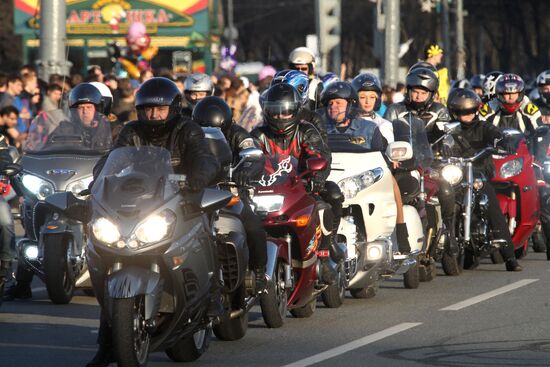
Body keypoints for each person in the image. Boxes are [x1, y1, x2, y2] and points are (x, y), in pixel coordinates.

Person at [86, 77, 220, 367]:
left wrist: (198, 178)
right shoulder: (131, 132)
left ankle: (213, 297)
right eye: (147, 110)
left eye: (159, 110)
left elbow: (204, 159)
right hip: (140, 201)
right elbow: (113, 160)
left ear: (173, 108)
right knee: (109, 261)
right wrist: (97, 182)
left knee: (209, 231)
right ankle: (106, 345)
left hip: (181, 200)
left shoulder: (187, 129)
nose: (153, 115)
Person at [251, 83, 343, 285]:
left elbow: (319, 154)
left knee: (328, 200)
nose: (281, 117)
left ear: (296, 111)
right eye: (275, 112)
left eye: (286, 112)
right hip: (267, 191)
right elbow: (246, 159)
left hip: (302, 187)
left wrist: (316, 177)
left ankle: (325, 252)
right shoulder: (258, 136)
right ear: (267, 112)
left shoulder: (306, 131)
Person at [192, 96, 268, 289]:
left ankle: (258, 273)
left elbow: (254, 153)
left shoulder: (237, 134)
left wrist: (246, 170)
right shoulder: (189, 136)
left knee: (253, 227)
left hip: (229, 192)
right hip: (197, 193)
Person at [445, 88, 522, 271]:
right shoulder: (448, 128)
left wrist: (503, 142)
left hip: (478, 172)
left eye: (471, 111)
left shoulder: (483, 127)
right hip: (455, 174)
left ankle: (510, 256)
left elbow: (497, 135)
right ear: (454, 112)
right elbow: (434, 140)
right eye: (463, 112)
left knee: (491, 205)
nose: (468, 115)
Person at [384, 67, 458, 256]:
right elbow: (386, 134)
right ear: (408, 91)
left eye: (422, 93)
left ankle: (449, 230)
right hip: (403, 163)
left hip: (431, 162)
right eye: (415, 92)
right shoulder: (395, 110)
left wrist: (447, 142)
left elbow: (448, 134)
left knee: (447, 188)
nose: (417, 96)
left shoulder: (439, 111)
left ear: (431, 94)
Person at [349, 74, 411, 253]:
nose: (367, 101)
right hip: (351, 169)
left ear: (378, 98)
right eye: (362, 97)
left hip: (374, 170)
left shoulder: (383, 124)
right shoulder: (347, 122)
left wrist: (393, 158)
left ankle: (401, 231)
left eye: (371, 97)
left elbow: (391, 151)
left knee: (393, 184)